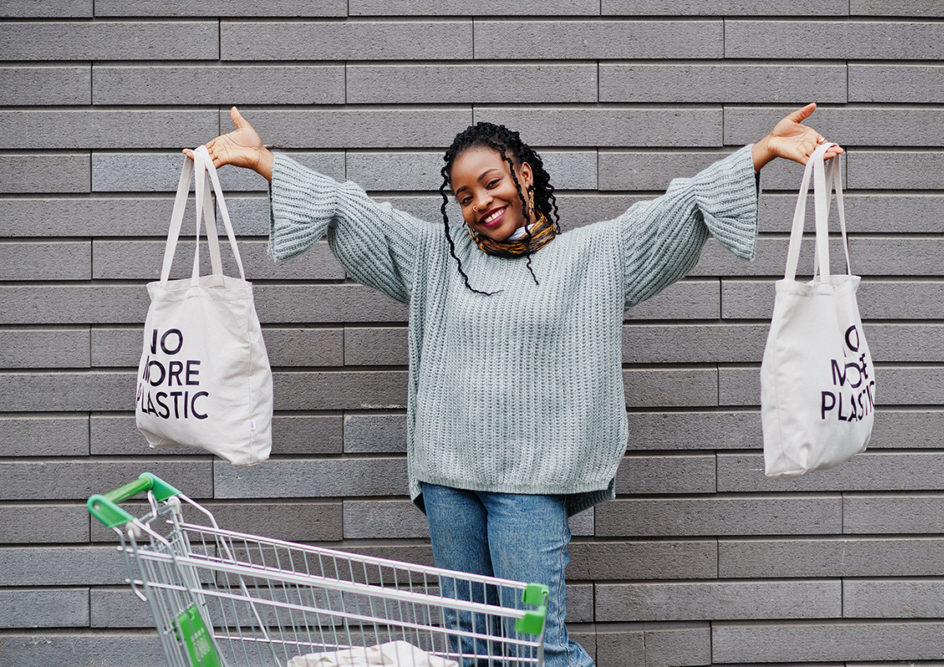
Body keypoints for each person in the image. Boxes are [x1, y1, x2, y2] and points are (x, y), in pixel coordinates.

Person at [184, 104, 841, 667]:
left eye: (490, 182)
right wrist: (264, 161)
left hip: (532, 486)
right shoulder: (434, 259)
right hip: (449, 482)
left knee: (537, 652)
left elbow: (680, 209)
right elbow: (347, 209)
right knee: (473, 648)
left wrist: (760, 153)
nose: (480, 202)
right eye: (463, 195)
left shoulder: (593, 256)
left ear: (523, 174)